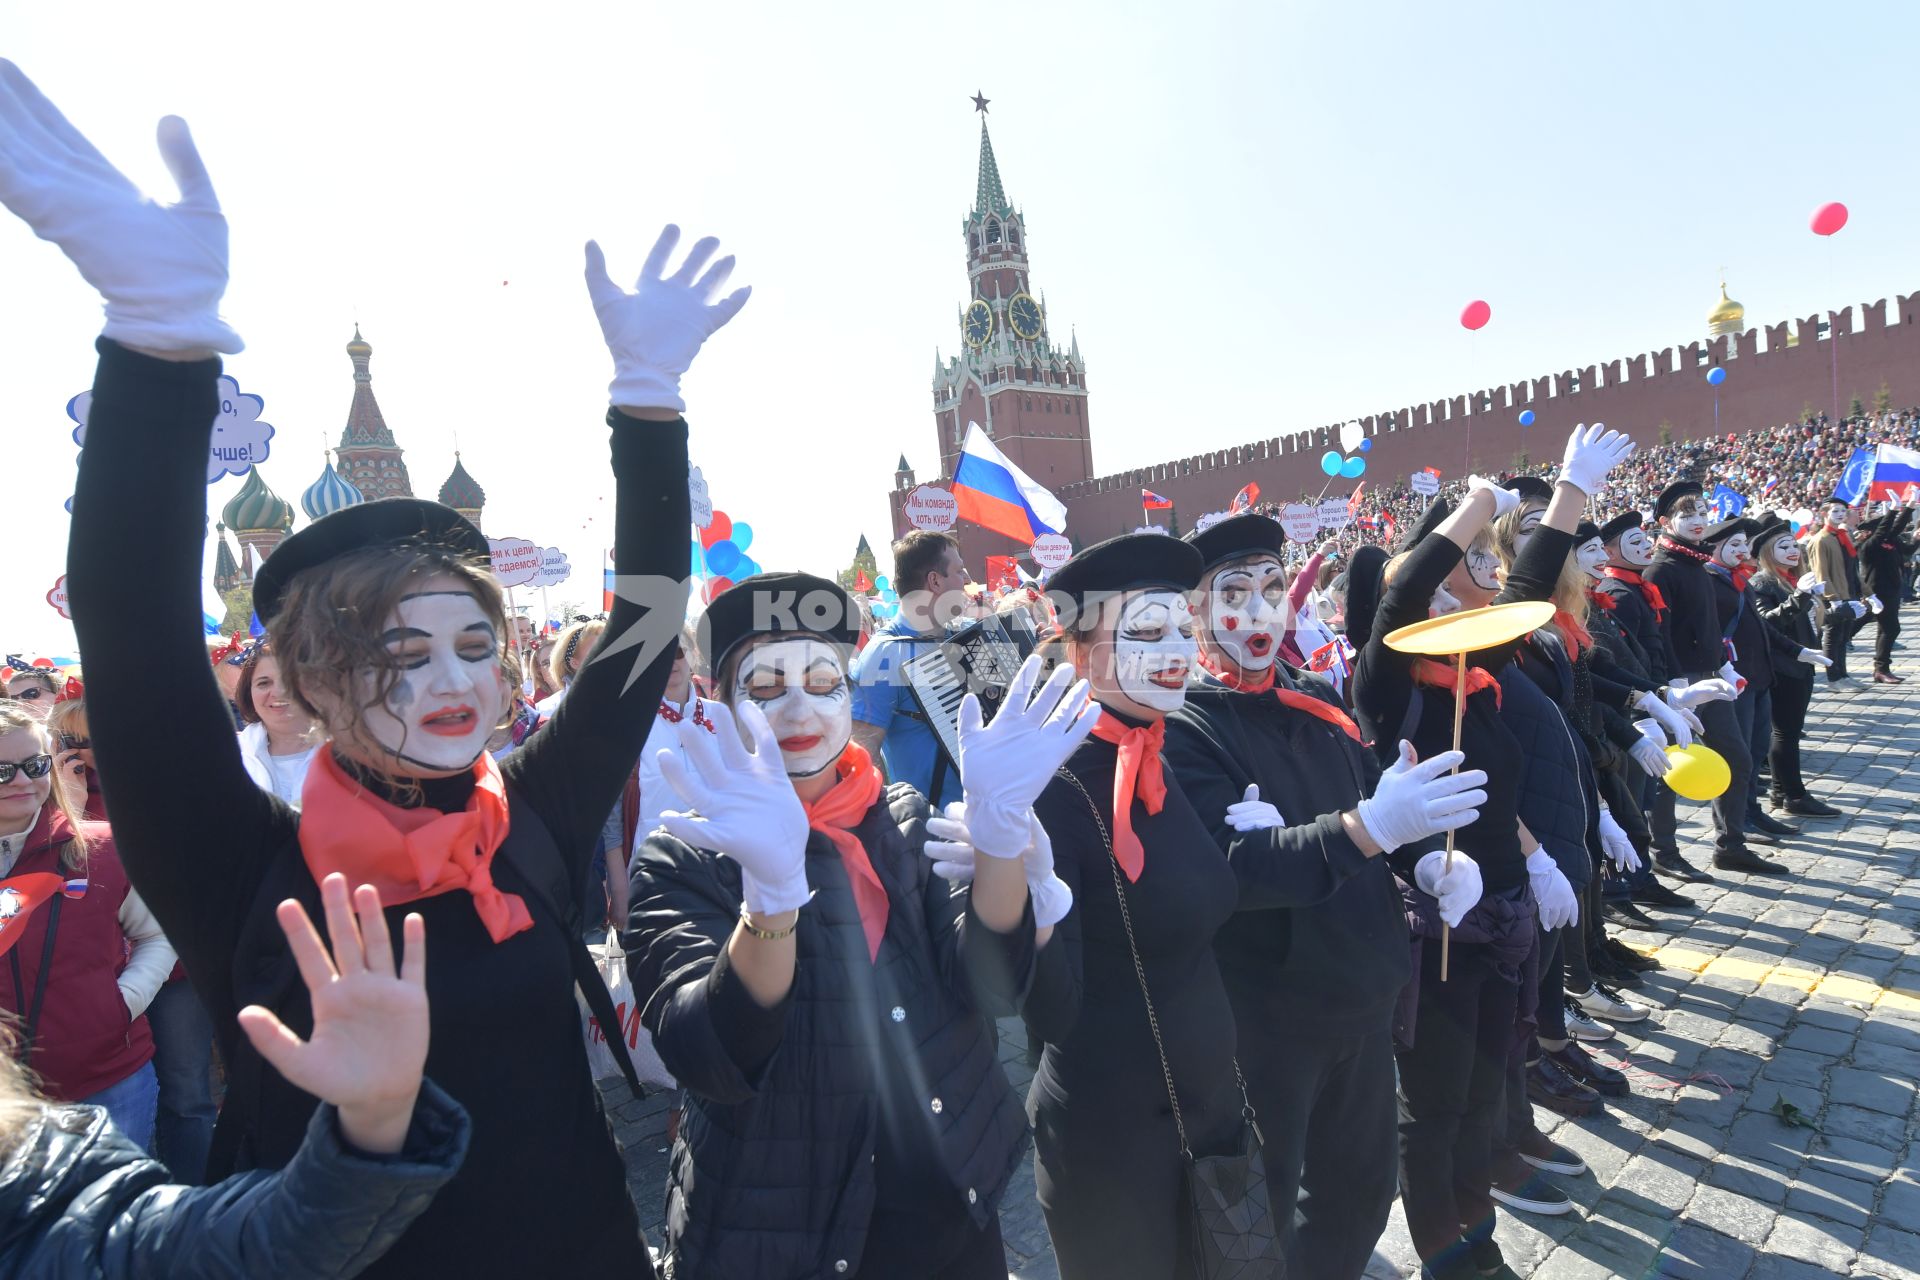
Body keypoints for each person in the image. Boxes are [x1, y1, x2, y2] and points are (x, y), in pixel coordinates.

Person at [10, 62, 736, 1273]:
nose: (452, 681)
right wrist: (157, 345)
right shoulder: (246, 870)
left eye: (470, 643)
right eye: (396, 653)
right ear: (302, 683)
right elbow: (131, 632)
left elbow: (645, 631)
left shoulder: (533, 822)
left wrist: (648, 407)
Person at [625, 572, 1088, 1278]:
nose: (798, 708)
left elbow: (988, 986)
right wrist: (771, 898)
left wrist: (1001, 843)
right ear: (721, 704)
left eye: (822, 681)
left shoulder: (898, 815)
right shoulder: (681, 855)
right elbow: (710, 1054)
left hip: (945, 1207)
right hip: (780, 1230)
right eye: (767, 689)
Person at [1163, 513, 1487, 1280]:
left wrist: (1427, 863)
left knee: (1358, 1198)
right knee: (1258, 1214)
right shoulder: (1183, 724)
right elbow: (1232, 868)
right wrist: (1366, 828)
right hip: (1265, 1023)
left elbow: (1374, 801)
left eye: (1273, 587)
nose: (1259, 609)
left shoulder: (1316, 697)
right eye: (1233, 591)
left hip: (1363, 1002)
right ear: (1196, 611)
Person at [0, 872, 474, 1279]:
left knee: (189, 1104)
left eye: (32, 768)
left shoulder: (44, 1182)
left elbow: (239, 1245)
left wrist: (376, 1120)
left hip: (119, 1061)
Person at [1349, 483, 1573, 1280]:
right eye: (1439, 589)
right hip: (1433, 928)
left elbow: (1526, 592)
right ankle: (1448, 1255)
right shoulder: (1385, 685)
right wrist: (1478, 501)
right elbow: (1406, 587)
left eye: (1460, 589)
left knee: (1486, 1092)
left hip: (1505, 918)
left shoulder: (1478, 678)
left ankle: (1479, 1237)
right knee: (1435, 1106)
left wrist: (1569, 500)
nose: (1453, 600)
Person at [48, 691, 220, 1183]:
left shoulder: (161, 788)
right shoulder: (48, 800)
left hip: (176, 968)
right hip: (96, 983)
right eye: (69, 741)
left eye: (90, 739)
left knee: (187, 1093)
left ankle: (192, 1197)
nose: (82, 753)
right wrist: (70, 804)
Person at [0, 704, 176, 1150]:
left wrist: (122, 1003)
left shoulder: (103, 847)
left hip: (109, 1082)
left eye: (35, 765)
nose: (22, 781)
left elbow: (158, 935)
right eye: (3, 771)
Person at [1646, 483, 1779, 875]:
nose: (1699, 521)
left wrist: (1724, 666)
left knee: (1736, 756)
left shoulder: (1696, 564)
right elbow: (1663, 633)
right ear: (1666, 523)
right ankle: (1664, 852)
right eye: (1688, 515)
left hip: (1709, 677)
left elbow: (1710, 627)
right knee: (1672, 767)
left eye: (1703, 513)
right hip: (1679, 684)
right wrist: (1676, 686)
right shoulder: (1661, 568)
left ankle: (1731, 844)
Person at [1594, 511, 1716, 889]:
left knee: (1644, 798)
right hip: (1622, 713)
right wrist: (1651, 700)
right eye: (1634, 543)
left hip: (1643, 699)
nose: (1645, 546)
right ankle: (1629, 883)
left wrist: (1668, 690)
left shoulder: (1631, 590)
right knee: (1629, 803)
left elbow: (1655, 646)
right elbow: (1613, 660)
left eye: (1645, 540)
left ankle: (1644, 875)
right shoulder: (1616, 593)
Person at [851, 530, 973, 806]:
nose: (966, 580)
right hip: (933, 833)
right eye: (959, 571)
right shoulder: (884, 654)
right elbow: (862, 755)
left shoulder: (964, 635)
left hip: (989, 819)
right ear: (934, 581)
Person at [1749, 519, 1843, 818]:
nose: (1793, 551)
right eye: (1783, 546)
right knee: (1785, 733)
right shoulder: (1762, 582)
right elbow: (1768, 623)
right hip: (1782, 667)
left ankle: (1783, 791)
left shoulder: (1791, 578)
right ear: (1767, 551)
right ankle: (1792, 794)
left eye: (1793, 545)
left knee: (1790, 732)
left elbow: (1808, 621)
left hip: (1801, 664)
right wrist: (1799, 598)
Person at [235, 641, 327, 808]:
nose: (278, 692)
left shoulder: (350, 753)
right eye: (264, 683)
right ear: (249, 692)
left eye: (290, 680)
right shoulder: (230, 756)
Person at [1806, 501, 1869, 686]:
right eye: (1835, 511)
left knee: (1843, 636)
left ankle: (1843, 675)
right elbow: (1821, 573)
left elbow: (1851, 569)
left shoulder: (1841, 536)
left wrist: (1868, 593)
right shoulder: (1821, 539)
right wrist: (1834, 599)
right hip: (1833, 597)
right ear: (1825, 513)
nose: (1841, 514)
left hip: (1847, 593)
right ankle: (1834, 678)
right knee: (1833, 636)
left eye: (1843, 510)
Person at [1857, 503, 1913, 683]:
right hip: (1876, 592)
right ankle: (1880, 668)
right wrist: (1895, 509)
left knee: (1886, 629)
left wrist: (1917, 537)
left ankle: (1881, 669)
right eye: (1884, 527)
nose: (1889, 529)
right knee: (1888, 628)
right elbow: (1887, 529)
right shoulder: (1868, 545)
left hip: (1892, 591)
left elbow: (1907, 550)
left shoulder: (1891, 541)